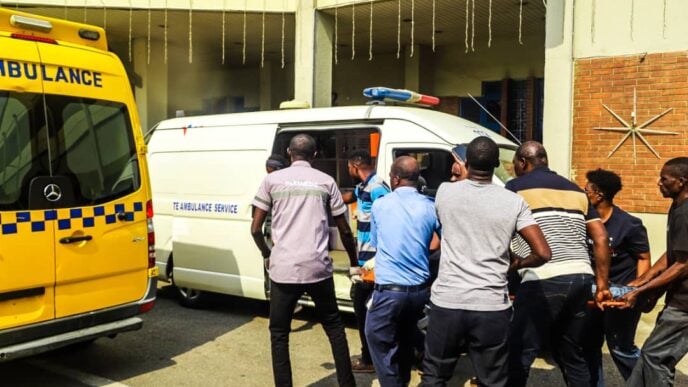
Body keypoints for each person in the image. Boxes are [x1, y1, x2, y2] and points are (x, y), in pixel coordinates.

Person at [422, 136, 552, 387]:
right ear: (496, 164)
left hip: (448, 302)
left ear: (466, 163)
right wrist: (516, 264)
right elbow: (543, 253)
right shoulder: (514, 201)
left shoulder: (445, 193)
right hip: (491, 306)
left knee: (434, 377)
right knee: (492, 380)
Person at [250, 134, 359, 387]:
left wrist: (268, 255)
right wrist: (353, 264)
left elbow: (255, 228)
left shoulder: (271, 180)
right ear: (316, 155)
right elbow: (344, 230)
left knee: (279, 335)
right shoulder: (326, 182)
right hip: (318, 268)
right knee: (334, 327)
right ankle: (347, 384)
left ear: (289, 153)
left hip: (283, 269)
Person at [505, 141, 612, 387]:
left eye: (514, 165)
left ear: (523, 162)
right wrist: (602, 283)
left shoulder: (514, 188)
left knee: (519, 350)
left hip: (543, 277)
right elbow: (601, 237)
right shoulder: (576, 191)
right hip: (582, 277)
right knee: (569, 350)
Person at [363, 156, 440, 387]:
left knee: (375, 337)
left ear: (395, 179)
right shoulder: (430, 205)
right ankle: (403, 379)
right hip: (419, 292)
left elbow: (377, 243)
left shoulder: (381, 204)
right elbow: (437, 242)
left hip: (389, 292)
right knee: (406, 337)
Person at [620, 157, 688, 387]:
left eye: (664, 179)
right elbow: (673, 254)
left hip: (685, 305)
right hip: (678, 300)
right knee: (650, 355)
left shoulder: (686, 212)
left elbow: (683, 264)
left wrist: (644, 290)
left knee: (656, 358)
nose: (658, 183)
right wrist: (642, 280)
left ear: (681, 181)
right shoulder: (678, 206)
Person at [582, 169, 651, 385]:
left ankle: (647, 383)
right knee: (588, 345)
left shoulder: (629, 224)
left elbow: (643, 257)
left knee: (621, 347)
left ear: (598, 194)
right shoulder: (583, 221)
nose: (582, 194)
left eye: (586, 190)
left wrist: (638, 290)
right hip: (592, 292)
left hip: (620, 294)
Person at [341, 149, 391, 373]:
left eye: (348, 167)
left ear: (354, 166)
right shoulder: (364, 186)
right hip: (365, 257)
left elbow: (388, 217)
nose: (348, 171)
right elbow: (348, 198)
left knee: (364, 309)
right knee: (364, 307)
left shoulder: (377, 186)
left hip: (373, 259)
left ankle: (369, 359)